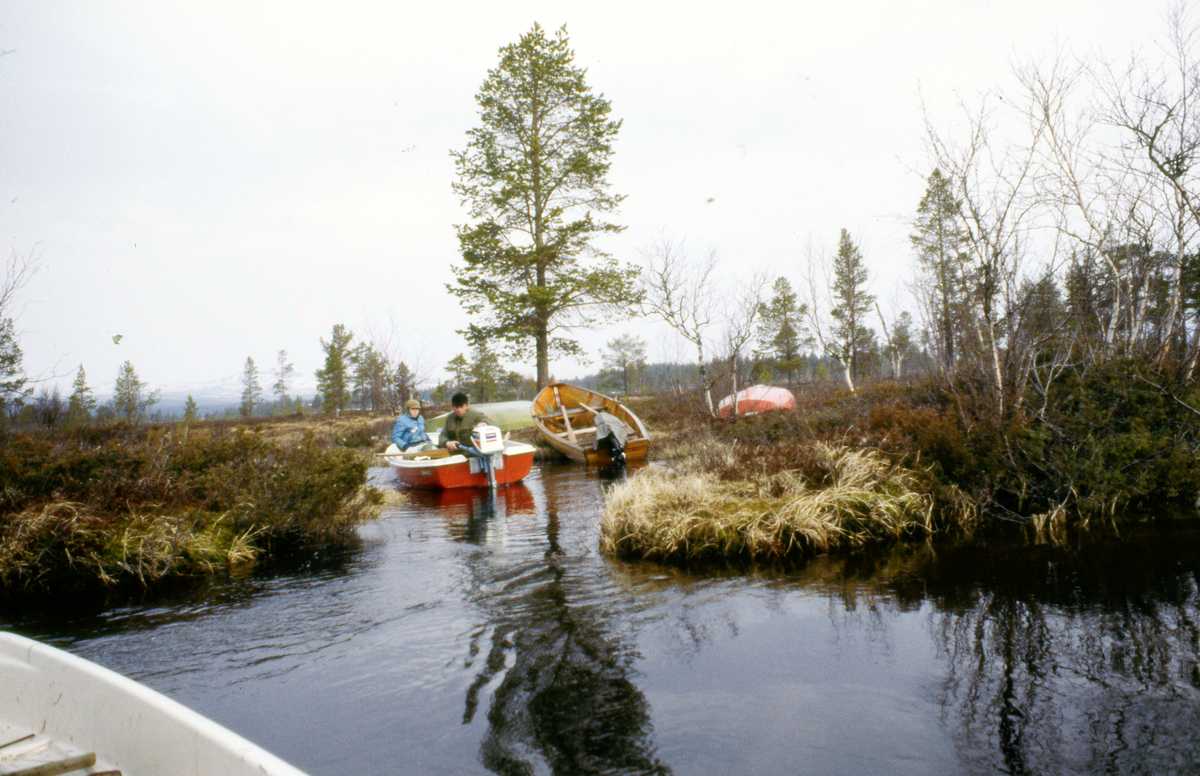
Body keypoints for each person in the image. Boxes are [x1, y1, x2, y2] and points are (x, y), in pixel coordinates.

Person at [440, 392, 495, 485]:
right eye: (456, 407)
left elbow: (493, 423)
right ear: (452, 407)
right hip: (457, 456)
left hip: (474, 454)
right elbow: (442, 436)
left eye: (461, 406)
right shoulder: (449, 418)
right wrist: (447, 443)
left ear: (467, 405)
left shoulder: (476, 415)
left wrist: (484, 423)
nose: (458, 409)